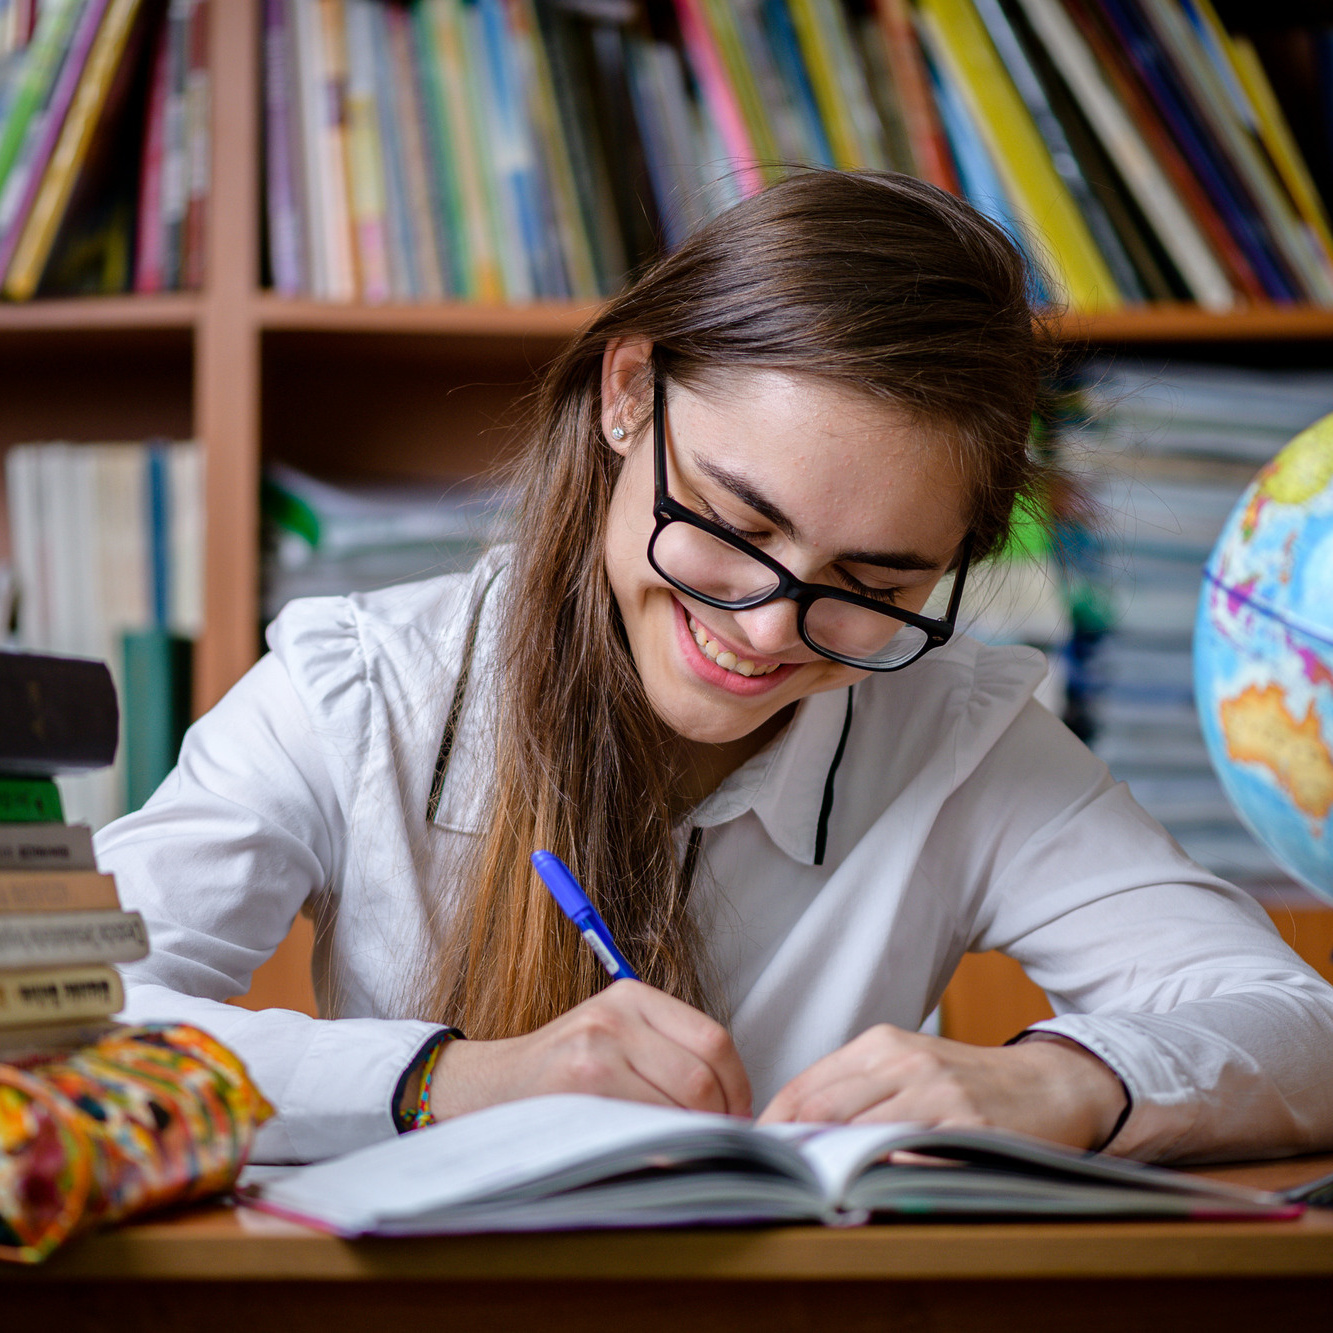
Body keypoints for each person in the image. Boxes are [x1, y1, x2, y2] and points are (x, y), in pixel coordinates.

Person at [98, 171, 1333, 1166]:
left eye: (875, 583)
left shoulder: (964, 737)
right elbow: (61, 1021)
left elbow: (1308, 1031)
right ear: (630, 392)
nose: (766, 627)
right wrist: (445, 1080)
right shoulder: (357, 686)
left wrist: (1060, 1078)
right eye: (734, 525)